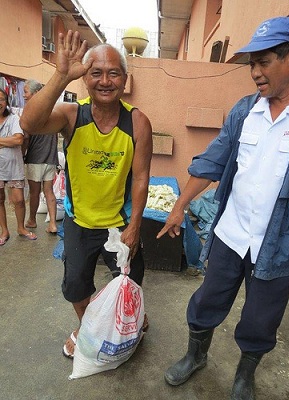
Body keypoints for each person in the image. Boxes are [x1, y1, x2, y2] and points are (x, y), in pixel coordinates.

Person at [157, 16, 289, 399]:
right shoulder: (244, 112)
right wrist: (179, 207)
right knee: (208, 299)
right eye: (251, 64)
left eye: (263, 61)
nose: (254, 72)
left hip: (281, 244)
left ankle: (244, 374)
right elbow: (211, 162)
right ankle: (196, 355)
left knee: (261, 318)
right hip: (231, 234)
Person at [20, 31, 153, 358]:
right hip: (80, 223)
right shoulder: (71, 115)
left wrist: (135, 225)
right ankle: (89, 328)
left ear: (125, 79)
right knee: (76, 288)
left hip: (119, 224)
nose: (105, 81)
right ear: (84, 78)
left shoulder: (137, 122)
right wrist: (60, 75)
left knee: (132, 281)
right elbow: (29, 122)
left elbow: (141, 177)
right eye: (96, 73)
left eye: (113, 73)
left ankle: (132, 317)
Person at [0, 89, 37, 245]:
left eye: (1, 99)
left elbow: (18, 140)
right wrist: (6, 141)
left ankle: (21, 228)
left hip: (14, 166)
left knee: (19, 200)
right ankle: (4, 231)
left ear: (6, 102)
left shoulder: (13, 118)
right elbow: (12, 140)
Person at [23, 79, 59, 234]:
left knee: (34, 192)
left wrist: (21, 154)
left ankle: (31, 220)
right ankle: (52, 223)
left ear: (36, 93)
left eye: (25, 92)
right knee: (49, 191)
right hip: (50, 157)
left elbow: (26, 138)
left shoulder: (32, 110)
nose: (24, 96)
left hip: (35, 158)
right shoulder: (52, 108)